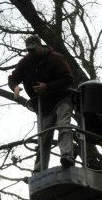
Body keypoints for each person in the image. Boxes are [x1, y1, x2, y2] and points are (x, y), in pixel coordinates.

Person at [8, 35, 75, 170]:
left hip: (62, 99)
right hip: (43, 106)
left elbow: (68, 79)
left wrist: (48, 86)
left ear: (40, 46)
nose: (31, 53)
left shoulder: (55, 58)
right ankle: (39, 168)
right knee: (43, 136)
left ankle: (67, 156)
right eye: (29, 51)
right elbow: (13, 78)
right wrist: (14, 87)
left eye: (33, 50)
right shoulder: (25, 62)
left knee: (63, 125)